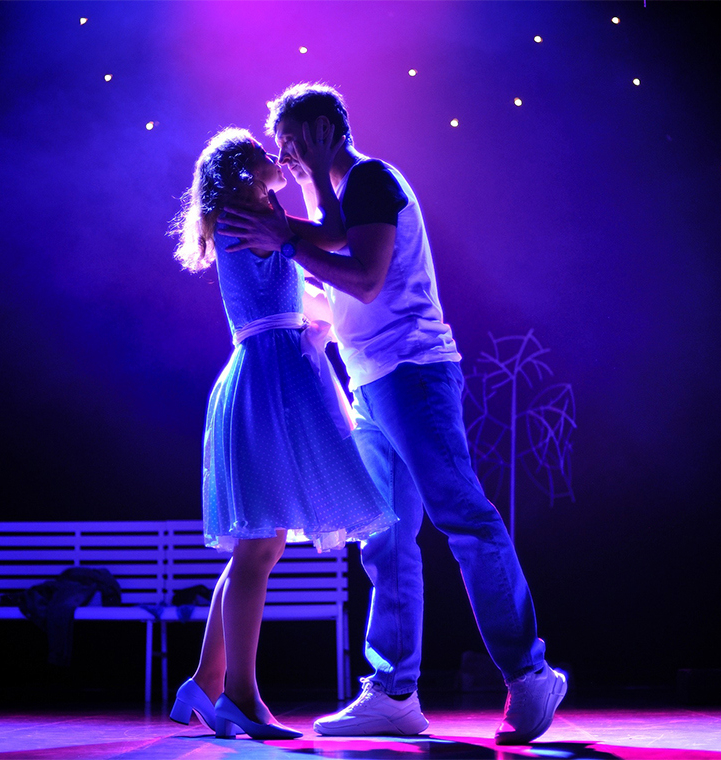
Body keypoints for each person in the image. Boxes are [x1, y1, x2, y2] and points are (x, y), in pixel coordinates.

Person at [217, 83, 567, 745]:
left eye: (289, 143)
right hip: (372, 381)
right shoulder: (333, 198)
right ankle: (395, 691)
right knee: (384, 536)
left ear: (322, 131)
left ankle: (529, 673)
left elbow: (366, 278)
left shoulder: (372, 180)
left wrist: (288, 239)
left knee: (463, 517)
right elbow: (329, 261)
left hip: (413, 372)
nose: (282, 158)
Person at [168, 126, 398, 740]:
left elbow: (303, 284)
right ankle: (240, 696)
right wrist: (318, 173)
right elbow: (336, 234)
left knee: (259, 545)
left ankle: (208, 680)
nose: (276, 160)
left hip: (270, 376)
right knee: (258, 546)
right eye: (263, 154)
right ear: (244, 174)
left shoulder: (250, 218)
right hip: (267, 382)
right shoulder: (247, 216)